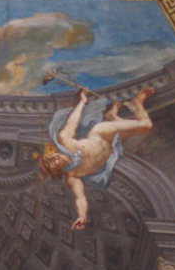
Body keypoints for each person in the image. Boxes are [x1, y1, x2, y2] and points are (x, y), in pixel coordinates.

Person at [38, 86, 154, 229]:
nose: (53, 158)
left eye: (49, 156)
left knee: (145, 125)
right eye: (50, 163)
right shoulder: (72, 176)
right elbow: (80, 197)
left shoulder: (64, 141)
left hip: (102, 134)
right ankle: (112, 116)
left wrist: (82, 101)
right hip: (112, 149)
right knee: (131, 130)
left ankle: (137, 102)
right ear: (56, 171)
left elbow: (72, 122)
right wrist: (82, 216)